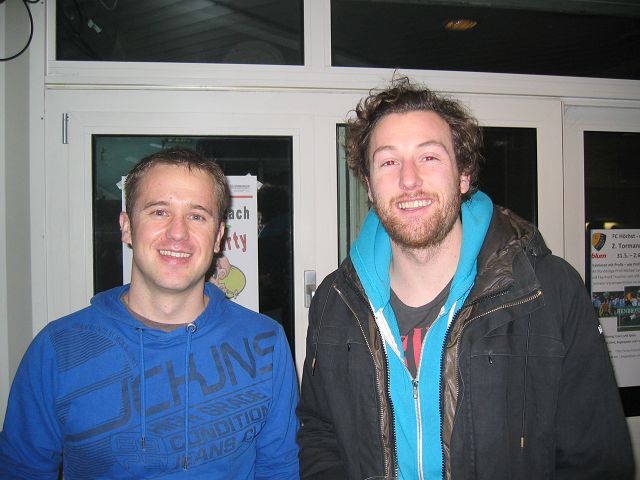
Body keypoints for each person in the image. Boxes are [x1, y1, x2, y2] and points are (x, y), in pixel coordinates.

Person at [297, 77, 634, 480]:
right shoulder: (334, 301)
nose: (409, 180)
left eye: (429, 157)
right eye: (388, 162)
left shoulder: (548, 291)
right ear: (369, 186)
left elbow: (595, 460)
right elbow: (320, 433)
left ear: (463, 177)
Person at [0, 148, 299, 479]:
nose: (177, 232)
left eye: (197, 216)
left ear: (217, 237)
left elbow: (279, 468)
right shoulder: (58, 349)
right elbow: (21, 470)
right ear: (127, 227)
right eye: (159, 212)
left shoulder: (265, 342)